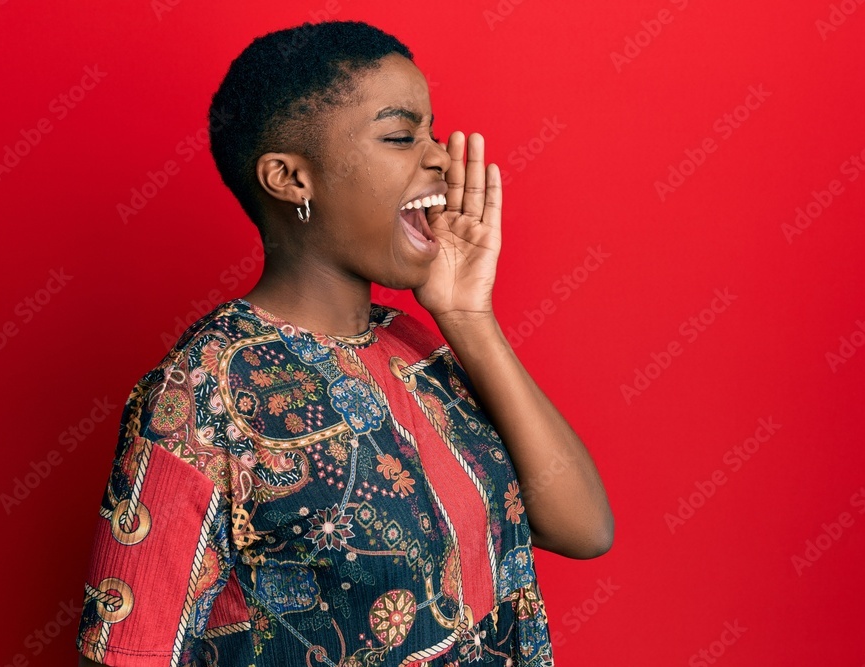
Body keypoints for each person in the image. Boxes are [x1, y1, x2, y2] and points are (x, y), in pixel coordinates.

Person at [76, 20, 613, 667]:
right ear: (290, 178)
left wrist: (468, 315)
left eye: (433, 133)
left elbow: (582, 528)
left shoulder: (412, 343)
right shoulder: (202, 394)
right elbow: (122, 655)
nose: (439, 156)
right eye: (400, 135)